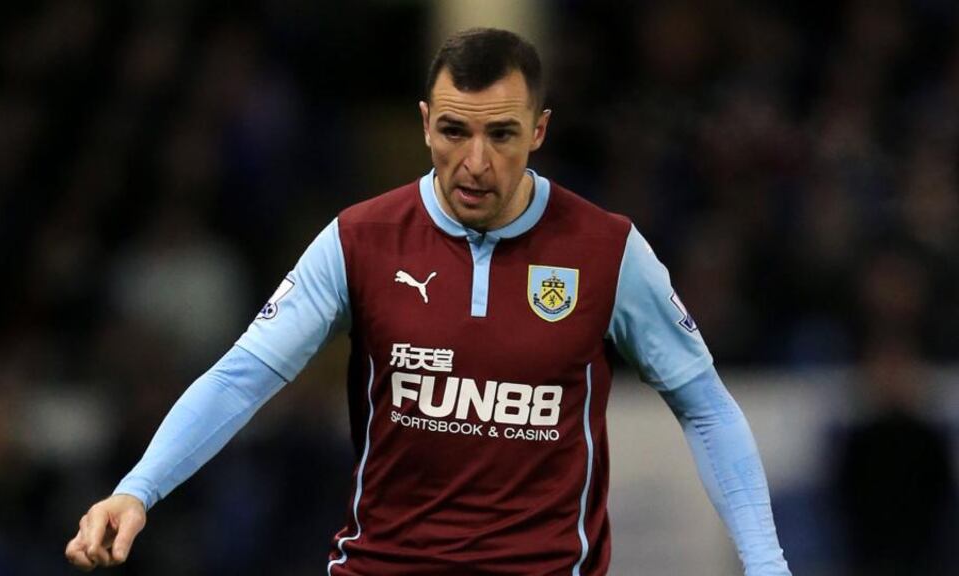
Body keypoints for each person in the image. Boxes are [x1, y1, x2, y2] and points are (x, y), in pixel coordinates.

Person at [65, 28, 792, 575]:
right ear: (423, 124)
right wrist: (139, 490)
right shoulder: (361, 240)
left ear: (538, 132)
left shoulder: (607, 251)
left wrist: (765, 565)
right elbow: (243, 375)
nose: (475, 162)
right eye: (454, 131)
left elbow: (704, 403)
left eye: (502, 135)